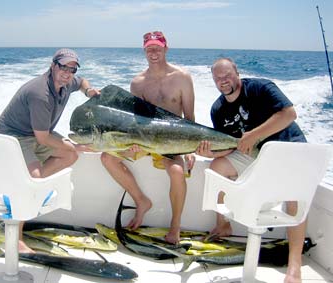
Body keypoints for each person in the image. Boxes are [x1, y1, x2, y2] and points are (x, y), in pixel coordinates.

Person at [196, 57, 307, 283]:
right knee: (216, 168)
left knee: (295, 196)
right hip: (252, 155)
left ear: (237, 73)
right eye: (217, 78)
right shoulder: (217, 109)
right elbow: (227, 146)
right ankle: (223, 225)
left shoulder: (260, 88)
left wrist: (254, 135)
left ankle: (294, 267)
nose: (222, 81)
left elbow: (289, 114)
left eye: (227, 75)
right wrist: (210, 153)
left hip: (288, 149)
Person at [0, 48, 100, 253]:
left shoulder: (68, 81)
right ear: (53, 66)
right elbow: (43, 138)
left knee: (68, 156)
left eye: (72, 69)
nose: (67, 72)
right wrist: (76, 145)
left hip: (38, 132)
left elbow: (82, 82)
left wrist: (89, 91)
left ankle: (27, 191)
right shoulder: (40, 93)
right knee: (35, 179)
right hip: (15, 136)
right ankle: (13, 235)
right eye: (63, 67)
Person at [101, 31, 196, 244]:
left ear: (166, 48)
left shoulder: (182, 78)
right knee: (107, 158)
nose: (153, 52)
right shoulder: (138, 83)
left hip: (172, 140)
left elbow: (189, 118)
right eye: (149, 48)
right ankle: (141, 201)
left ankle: (175, 227)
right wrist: (132, 144)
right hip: (145, 139)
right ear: (144, 50)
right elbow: (136, 121)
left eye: (157, 47)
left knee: (177, 172)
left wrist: (189, 148)